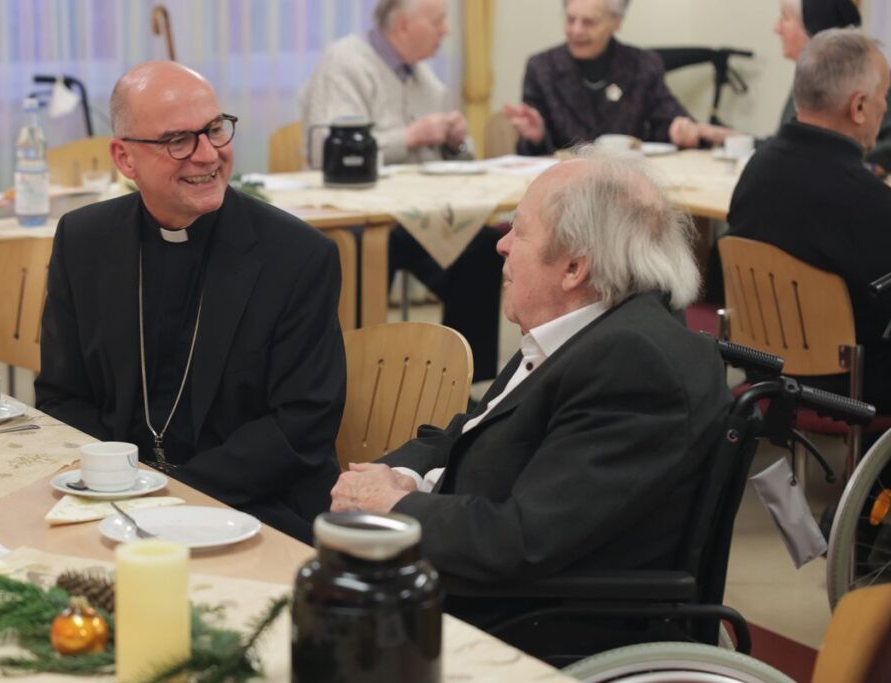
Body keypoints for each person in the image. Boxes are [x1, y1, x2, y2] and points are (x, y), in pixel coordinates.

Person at [330, 150, 732, 630]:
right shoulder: (585, 330)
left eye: (519, 230)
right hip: (472, 570)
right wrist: (395, 476)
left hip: (524, 621)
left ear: (573, 268)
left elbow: (520, 541)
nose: (502, 245)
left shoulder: (633, 365)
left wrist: (394, 505)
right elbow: (473, 431)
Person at [35, 61, 346, 541]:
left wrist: (168, 495)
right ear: (125, 159)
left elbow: (301, 425)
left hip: (256, 507)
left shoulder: (298, 256)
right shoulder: (84, 240)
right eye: (178, 140)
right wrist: (120, 487)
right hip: (114, 499)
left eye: (216, 130)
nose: (208, 155)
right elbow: (61, 395)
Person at [300, 0, 502, 381]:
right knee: (366, 248)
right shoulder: (345, 62)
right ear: (403, 25)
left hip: (412, 214)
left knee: (481, 250)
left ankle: (462, 385)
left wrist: (456, 142)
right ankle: (358, 376)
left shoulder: (425, 77)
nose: (446, 31)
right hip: (355, 212)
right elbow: (326, 150)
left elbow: (458, 160)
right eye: (438, 21)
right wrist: (410, 136)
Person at [729, 28, 891, 411]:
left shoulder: (755, 171)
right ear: (860, 106)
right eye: (885, 97)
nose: (886, 107)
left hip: (762, 370)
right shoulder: (869, 201)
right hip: (849, 384)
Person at [504, 0, 732, 156]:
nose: (576, 30)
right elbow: (529, 155)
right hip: (562, 195)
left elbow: (670, 121)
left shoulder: (643, 64)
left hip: (627, 192)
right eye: (570, 19)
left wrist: (682, 131)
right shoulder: (542, 67)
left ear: (616, 22)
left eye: (589, 22)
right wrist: (537, 136)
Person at [772, 0, 891, 169]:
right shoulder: (806, 79)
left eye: (785, 18)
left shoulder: (869, 82)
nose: (776, 28)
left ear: (812, 27)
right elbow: (785, 141)